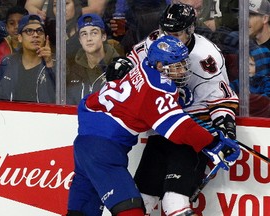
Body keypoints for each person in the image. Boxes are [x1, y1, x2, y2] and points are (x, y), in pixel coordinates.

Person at [66, 35, 240, 216]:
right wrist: (213, 143)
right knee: (131, 210)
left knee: (81, 211)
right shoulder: (157, 88)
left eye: (183, 64)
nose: (182, 71)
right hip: (104, 149)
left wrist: (175, 99)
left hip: (84, 143)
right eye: (176, 66)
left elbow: (145, 102)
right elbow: (179, 128)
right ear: (159, 66)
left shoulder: (142, 68)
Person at [120, 3, 239, 215]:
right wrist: (121, 66)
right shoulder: (156, 40)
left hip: (193, 131)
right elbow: (133, 64)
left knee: (174, 202)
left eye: (175, 33)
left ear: (190, 30)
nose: (169, 38)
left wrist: (226, 129)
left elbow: (221, 101)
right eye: (166, 32)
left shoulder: (207, 57)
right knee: (142, 200)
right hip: (162, 130)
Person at [0, 14, 55, 103]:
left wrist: (49, 64)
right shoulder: (7, 62)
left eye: (40, 31)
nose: (35, 35)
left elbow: (62, 98)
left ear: (45, 38)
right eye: (29, 31)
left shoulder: (56, 63)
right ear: (20, 38)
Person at [66, 13, 120, 105]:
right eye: (84, 34)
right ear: (80, 40)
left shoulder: (119, 68)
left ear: (104, 37)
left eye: (94, 33)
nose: (89, 38)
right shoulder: (72, 69)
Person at [0, 6, 28, 77]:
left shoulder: (34, 44)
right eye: (12, 23)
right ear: (6, 27)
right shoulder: (2, 49)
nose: (16, 27)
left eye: (20, 23)